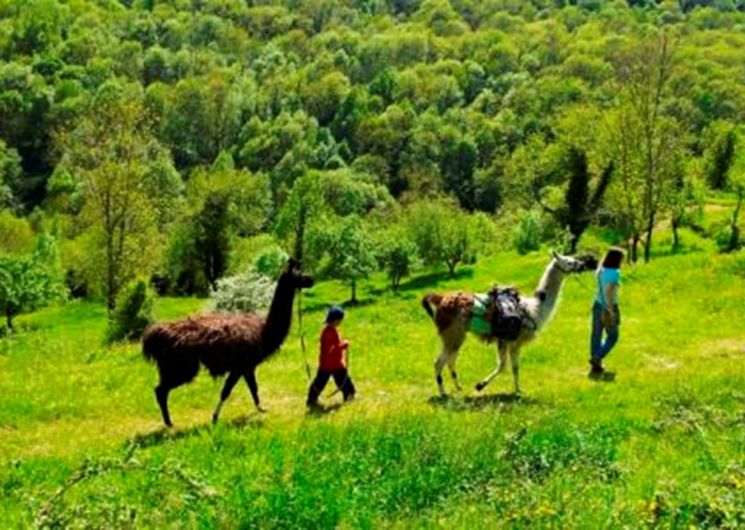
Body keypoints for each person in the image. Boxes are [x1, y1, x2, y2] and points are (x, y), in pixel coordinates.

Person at [306, 305, 356, 407]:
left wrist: (340, 344)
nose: (340, 322)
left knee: (339, 381)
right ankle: (311, 399)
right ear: (335, 319)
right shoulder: (328, 332)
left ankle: (349, 395)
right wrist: (343, 344)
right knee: (323, 382)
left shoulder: (331, 330)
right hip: (330, 364)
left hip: (332, 363)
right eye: (340, 320)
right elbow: (331, 349)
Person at [590, 247, 624, 376]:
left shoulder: (601, 270)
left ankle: (596, 365)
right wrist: (610, 309)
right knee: (613, 336)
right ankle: (597, 357)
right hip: (608, 306)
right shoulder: (615, 272)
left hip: (597, 304)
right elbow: (609, 290)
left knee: (596, 335)